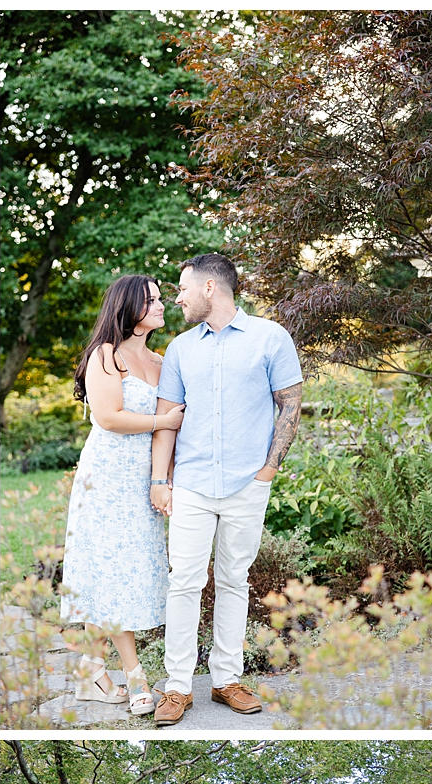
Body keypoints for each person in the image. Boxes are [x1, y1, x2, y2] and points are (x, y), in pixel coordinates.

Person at [151, 252, 303, 726]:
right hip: (193, 484)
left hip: (246, 483)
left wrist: (268, 471)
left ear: (210, 289)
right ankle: (177, 687)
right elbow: (168, 421)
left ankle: (226, 680)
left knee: (236, 581)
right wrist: (161, 479)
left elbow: (291, 406)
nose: (178, 298)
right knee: (184, 583)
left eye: (182, 289)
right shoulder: (179, 349)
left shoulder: (270, 338)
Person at [61, 275, 184, 716]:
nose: (161, 305)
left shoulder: (162, 360)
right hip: (107, 478)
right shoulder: (105, 356)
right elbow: (109, 417)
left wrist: (163, 477)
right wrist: (163, 422)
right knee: (113, 571)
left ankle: (91, 671)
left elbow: (172, 426)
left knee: (119, 571)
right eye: (151, 300)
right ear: (128, 307)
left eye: (161, 298)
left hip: (144, 479)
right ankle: (136, 677)